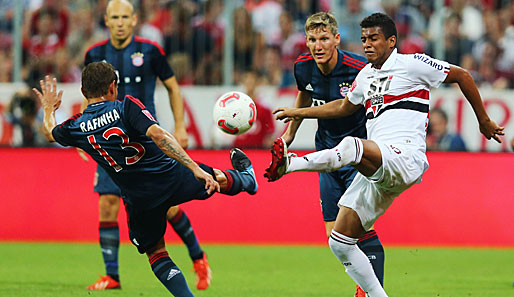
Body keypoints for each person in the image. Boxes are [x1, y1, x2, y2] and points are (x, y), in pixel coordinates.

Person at [266, 12, 503, 296]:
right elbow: (343, 108)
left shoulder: (412, 63)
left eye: (374, 38)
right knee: (339, 241)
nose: (367, 44)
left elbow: (462, 75)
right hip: (380, 172)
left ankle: (290, 165)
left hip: (404, 157)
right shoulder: (365, 75)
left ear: (391, 41)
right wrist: (297, 112)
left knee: (352, 145)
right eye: (364, 38)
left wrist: (483, 120)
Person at [33, 63, 258, 297]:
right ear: (113, 87)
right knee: (214, 177)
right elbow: (158, 135)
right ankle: (247, 181)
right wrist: (192, 166)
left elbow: (50, 132)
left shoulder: (77, 126)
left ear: (83, 92)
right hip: (169, 176)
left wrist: (49, 109)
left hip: (139, 199)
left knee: (156, 252)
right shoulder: (126, 106)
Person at [81, 0, 210, 290]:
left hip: (145, 142)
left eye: (125, 16)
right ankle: (112, 275)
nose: (120, 22)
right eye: (114, 17)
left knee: (168, 208)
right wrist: (84, 135)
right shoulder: (94, 53)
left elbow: (173, 87)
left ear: (134, 19)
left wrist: (179, 126)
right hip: (110, 144)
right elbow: (88, 95)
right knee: (107, 205)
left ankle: (198, 257)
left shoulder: (150, 51)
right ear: (106, 20)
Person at [264, 12, 385, 297]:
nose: (317, 45)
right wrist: (289, 135)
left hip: (358, 155)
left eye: (324, 39)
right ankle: (367, 287)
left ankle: (367, 290)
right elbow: (305, 93)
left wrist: (296, 113)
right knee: (335, 234)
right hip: (326, 155)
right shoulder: (303, 67)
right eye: (312, 39)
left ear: (336, 39)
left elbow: (343, 107)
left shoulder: (359, 68)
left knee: (356, 227)